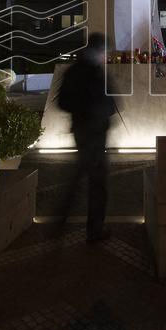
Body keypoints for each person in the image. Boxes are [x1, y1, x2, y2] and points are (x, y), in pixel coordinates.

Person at [55, 33, 117, 243]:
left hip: (89, 133)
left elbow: (108, 100)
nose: (105, 57)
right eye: (104, 52)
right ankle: (93, 231)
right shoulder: (88, 72)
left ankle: (60, 222)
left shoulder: (86, 71)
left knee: (81, 178)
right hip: (91, 133)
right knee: (97, 184)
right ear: (97, 51)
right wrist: (93, 109)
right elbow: (64, 102)